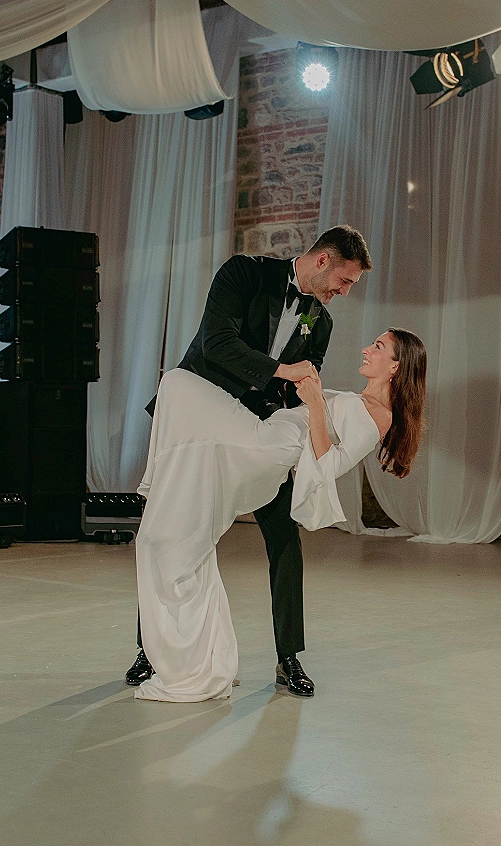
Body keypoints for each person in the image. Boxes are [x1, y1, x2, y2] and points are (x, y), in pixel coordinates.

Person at [125, 225, 373, 696]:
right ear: (323, 261)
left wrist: (302, 433)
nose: (343, 292)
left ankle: (288, 658)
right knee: (170, 532)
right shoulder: (243, 272)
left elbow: (301, 390)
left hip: (254, 437)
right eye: (344, 281)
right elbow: (216, 344)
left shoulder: (320, 321)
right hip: (198, 426)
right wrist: (282, 370)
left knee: (284, 536)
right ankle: (152, 649)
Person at [133, 328, 426, 702]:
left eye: (379, 347)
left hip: (265, 447)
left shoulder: (381, 416)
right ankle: (188, 653)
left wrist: (317, 402)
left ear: (396, 367)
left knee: (177, 386)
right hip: (262, 432)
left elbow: (328, 464)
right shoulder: (359, 400)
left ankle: (278, 658)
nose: (367, 349)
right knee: (175, 386)